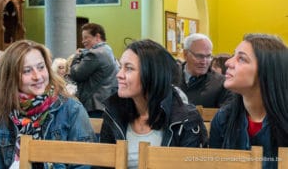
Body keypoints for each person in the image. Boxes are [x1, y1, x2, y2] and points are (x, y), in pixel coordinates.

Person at [99, 39, 208, 169]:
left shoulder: (186, 118)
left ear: (152, 74)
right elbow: (102, 165)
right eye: (120, 67)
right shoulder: (113, 111)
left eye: (128, 68)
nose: (119, 75)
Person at [0, 40, 96, 168]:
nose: (37, 76)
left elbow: (83, 165)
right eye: (27, 70)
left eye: (41, 67)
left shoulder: (72, 110)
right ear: (10, 77)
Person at [209, 33, 288, 169]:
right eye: (234, 55)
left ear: (267, 71)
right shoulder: (223, 118)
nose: (228, 62)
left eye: (241, 59)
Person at [70, 23, 119, 118]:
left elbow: (76, 75)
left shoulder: (94, 54)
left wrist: (76, 57)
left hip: (94, 105)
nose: (83, 41)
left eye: (86, 37)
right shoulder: (108, 50)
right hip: (105, 104)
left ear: (97, 36)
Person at [179, 33, 235, 108]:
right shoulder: (169, 78)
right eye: (199, 56)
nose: (204, 62)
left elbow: (227, 114)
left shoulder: (222, 84)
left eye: (208, 56)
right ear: (185, 54)